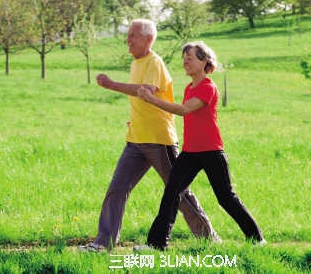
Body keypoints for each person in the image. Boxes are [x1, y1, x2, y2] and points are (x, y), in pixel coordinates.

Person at [79, 20, 219, 252]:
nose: (128, 39)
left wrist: (112, 84)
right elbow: (140, 99)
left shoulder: (154, 62)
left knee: (178, 192)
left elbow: (145, 91)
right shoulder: (136, 63)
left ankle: (208, 237)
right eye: (128, 35)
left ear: (148, 39)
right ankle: (103, 243)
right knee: (117, 188)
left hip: (159, 140)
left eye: (133, 35)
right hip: (135, 138)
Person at [137, 41, 266, 250]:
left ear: (204, 61)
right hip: (190, 152)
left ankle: (257, 239)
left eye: (190, 57)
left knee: (226, 198)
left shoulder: (208, 87)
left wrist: (151, 100)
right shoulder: (189, 87)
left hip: (212, 151)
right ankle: (156, 244)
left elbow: (184, 110)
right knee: (171, 192)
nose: (185, 61)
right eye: (184, 58)